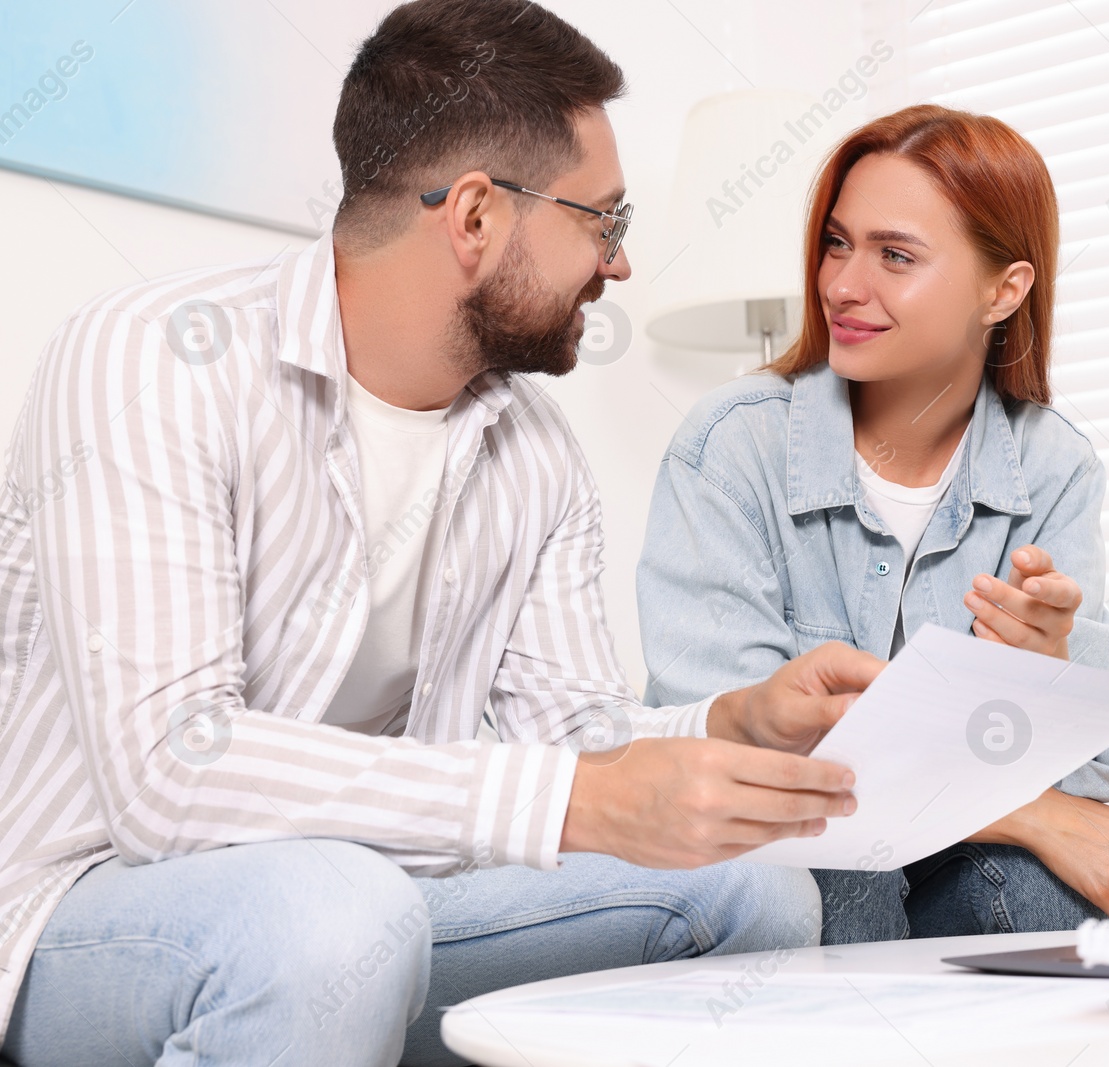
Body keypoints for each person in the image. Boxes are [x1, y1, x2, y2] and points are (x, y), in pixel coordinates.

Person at [0, 4, 882, 1065]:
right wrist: (571, 798)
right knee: (334, 911)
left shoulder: (534, 450)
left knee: (755, 889)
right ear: (474, 216)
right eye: (604, 221)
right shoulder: (150, 361)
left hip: (382, 901)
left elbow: (560, 735)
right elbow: (169, 777)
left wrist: (730, 723)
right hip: (86, 912)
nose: (618, 264)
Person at [637, 104, 1109, 945]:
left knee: (1041, 896)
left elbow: (1105, 776)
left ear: (1003, 291)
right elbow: (744, 764)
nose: (843, 285)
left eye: (895, 255)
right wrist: (1031, 812)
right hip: (784, 849)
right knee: (843, 878)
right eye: (836, 243)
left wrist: (1053, 666)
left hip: (943, 867)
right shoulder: (731, 445)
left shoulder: (1053, 467)